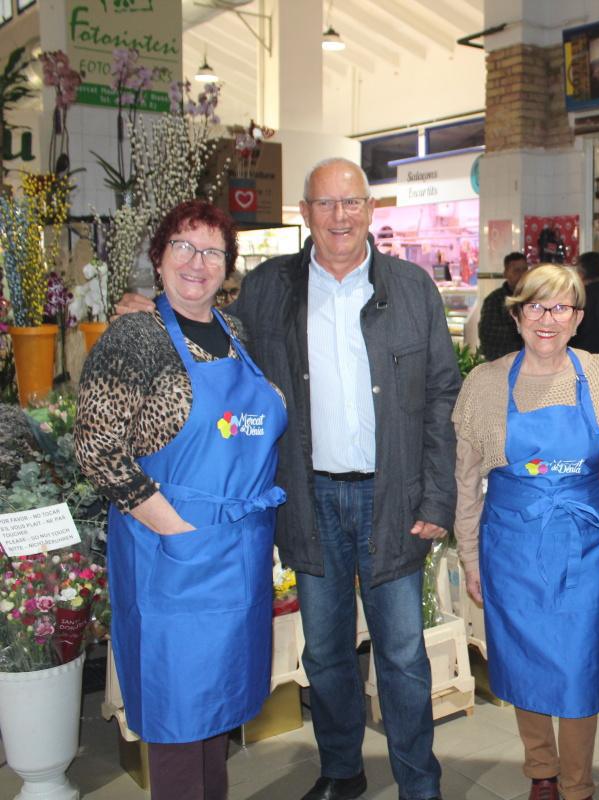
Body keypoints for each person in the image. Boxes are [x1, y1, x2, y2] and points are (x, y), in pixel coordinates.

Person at [116, 158, 457, 800]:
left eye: (350, 203)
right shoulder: (269, 290)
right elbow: (206, 333)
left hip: (394, 499)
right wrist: (146, 311)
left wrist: (438, 495)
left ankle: (420, 783)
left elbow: (442, 395)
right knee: (324, 653)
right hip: (308, 498)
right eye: (325, 205)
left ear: (370, 211)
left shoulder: (412, 289)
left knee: (404, 657)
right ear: (305, 213)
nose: (339, 217)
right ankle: (341, 771)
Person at [77, 200, 287, 799]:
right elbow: (96, 448)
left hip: (237, 553)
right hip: (171, 559)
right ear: (159, 259)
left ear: (228, 267)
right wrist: (175, 529)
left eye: (212, 251)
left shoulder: (235, 333)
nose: (198, 263)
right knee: (175, 717)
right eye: (184, 248)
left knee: (216, 712)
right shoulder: (136, 338)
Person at [453, 264, 599, 800]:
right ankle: (541, 772)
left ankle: (578, 783)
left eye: (561, 307)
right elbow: (466, 480)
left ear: (578, 319)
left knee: (579, 666)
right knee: (523, 659)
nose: (548, 319)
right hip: (512, 547)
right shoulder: (485, 383)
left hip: (588, 548)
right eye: (536, 307)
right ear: (517, 313)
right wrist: (471, 558)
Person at [480, 252, 531, 360]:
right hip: (503, 363)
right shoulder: (494, 300)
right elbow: (488, 335)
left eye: (525, 270)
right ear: (506, 273)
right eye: (517, 270)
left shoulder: (534, 298)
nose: (522, 275)